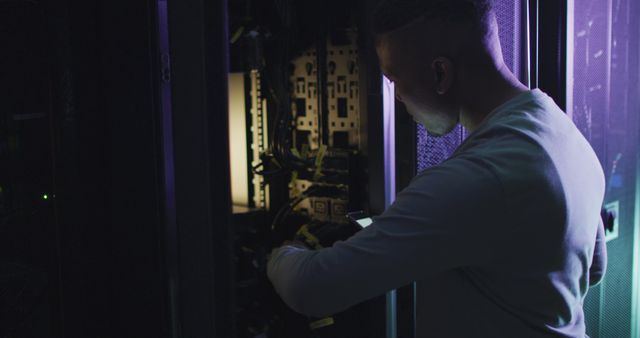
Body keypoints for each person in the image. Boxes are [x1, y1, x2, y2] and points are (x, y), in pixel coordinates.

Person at [267, 0, 607, 336]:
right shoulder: (565, 135)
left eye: (394, 79)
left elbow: (310, 288)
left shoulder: (476, 179)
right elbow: (592, 269)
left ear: (440, 73)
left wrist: (278, 251)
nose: (398, 97)